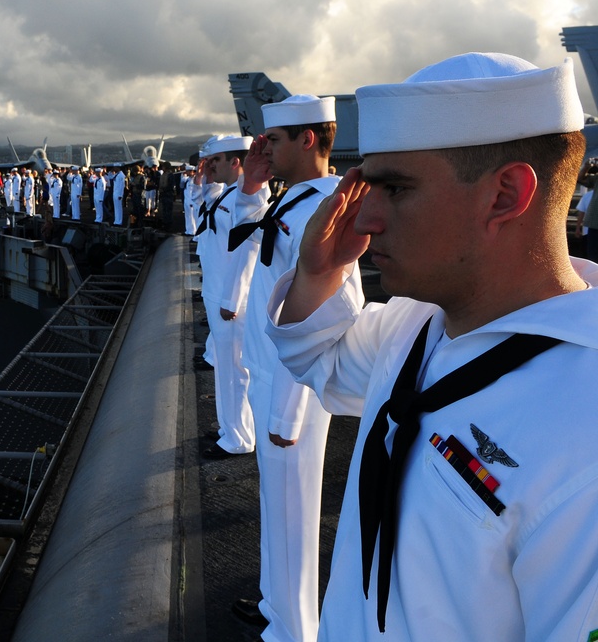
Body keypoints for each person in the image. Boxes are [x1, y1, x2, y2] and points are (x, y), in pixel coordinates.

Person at [264, 53, 598, 641]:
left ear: (504, 195)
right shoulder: (417, 324)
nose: (364, 218)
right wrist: (318, 274)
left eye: (394, 188)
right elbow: (324, 362)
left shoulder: (585, 430)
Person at [227, 95, 346, 642]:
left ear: (307, 139)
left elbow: (329, 316)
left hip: (290, 391)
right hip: (267, 376)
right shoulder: (295, 202)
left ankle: (296, 631)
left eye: (273, 141)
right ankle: (277, 606)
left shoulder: (326, 212)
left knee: (294, 517)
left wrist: (287, 413)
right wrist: (251, 186)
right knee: (275, 508)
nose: (264, 149)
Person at [195, 134, 270, 458]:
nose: (210, 166)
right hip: (216, 293)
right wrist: (206, 178)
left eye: (216, 161)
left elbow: (247, 250)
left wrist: (232, 299)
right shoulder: (226, 194)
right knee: (225, 370)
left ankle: (239, 438)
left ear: (235, 161)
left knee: (236, 372)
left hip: (230, 301)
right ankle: (229, 427)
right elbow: (205, 216)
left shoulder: (250, 198)